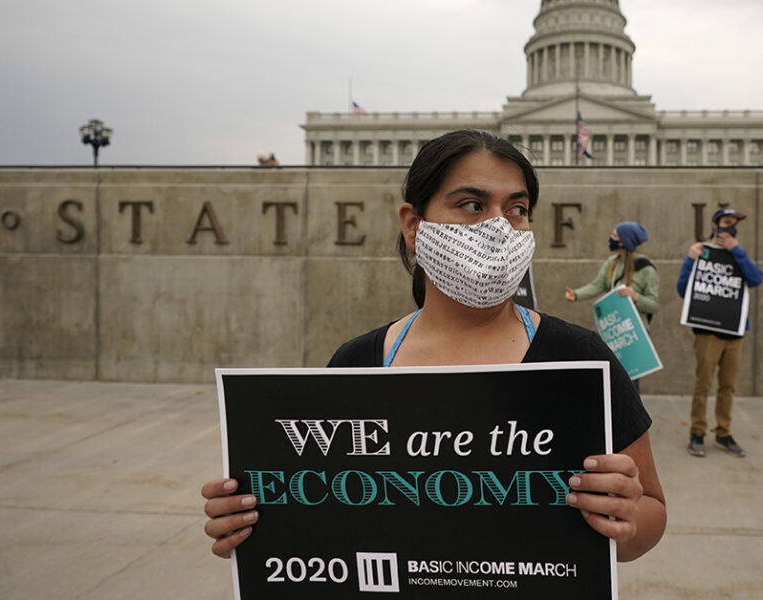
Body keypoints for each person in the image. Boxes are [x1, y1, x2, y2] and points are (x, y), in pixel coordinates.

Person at [202, 129, 667, 563]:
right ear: (413, 225)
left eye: (517, 209)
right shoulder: (356, 364)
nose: (499, 228)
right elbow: (320, 524)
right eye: (472, 204)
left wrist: (626, 518)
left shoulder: (583, 361)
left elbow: (651, 514)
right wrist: (254, 525)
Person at [676, 208, 763, 458]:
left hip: (734, 333)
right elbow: (684, 290)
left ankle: (723, 432)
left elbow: (756, 279)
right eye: (727, 222)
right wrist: (690, 260)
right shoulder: (700, 251)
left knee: (728, 385)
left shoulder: (738, 254)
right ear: (715, 225)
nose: (731, 227)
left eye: (735, 223)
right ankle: (697, 433)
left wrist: (736, 250)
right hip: (708, 332)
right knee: (703, 384)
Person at [564, 222, 659, 325]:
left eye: (614, 235)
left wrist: (635, 296)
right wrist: (577, 294)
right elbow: (597, 286)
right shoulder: (611, 262)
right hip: (614, 327)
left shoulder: (646, 269)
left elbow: (653, 306)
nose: (610, 238)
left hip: (635, 329)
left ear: (624, 242)